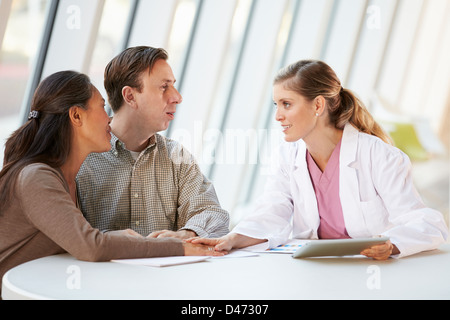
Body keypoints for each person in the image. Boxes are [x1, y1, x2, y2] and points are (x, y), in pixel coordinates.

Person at [188, 60, 448, 260]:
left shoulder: (380, 157)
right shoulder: (287, 157)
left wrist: (391, 245)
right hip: (317, 267)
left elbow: (427, 223)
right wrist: (233, 238)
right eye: (275, 104)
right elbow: (273, 208)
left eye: (286, 104)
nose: (278, 115)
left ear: (318, 106)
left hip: (372, 271)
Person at [0, 71, 222, 293]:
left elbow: (77, 238)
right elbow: (90, 246)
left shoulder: (64, 179)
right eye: (101, 107)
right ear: (76, 116)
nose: (109, 118)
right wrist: (178, 248)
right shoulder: (37, 178)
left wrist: (116, 236)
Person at [76, 46, 229, 240]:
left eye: (173, 85)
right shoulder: (81, 160)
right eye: (164, 87)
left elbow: (213, 214)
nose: (177, 97)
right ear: (130, 96)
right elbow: (70, 234)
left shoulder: (177, 157)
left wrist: (186, 233)